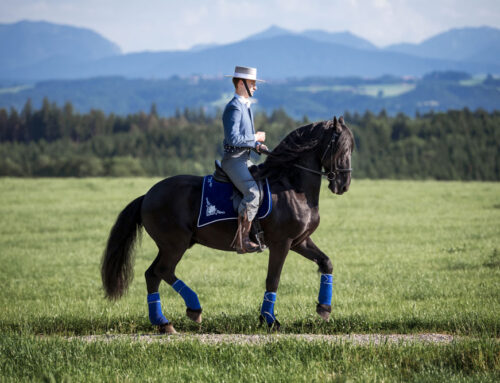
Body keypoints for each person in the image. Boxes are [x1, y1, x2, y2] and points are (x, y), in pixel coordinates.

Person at [222, 66, 268, 253]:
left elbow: (244, 138)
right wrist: (255, 138)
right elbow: (233, 139)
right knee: (253, 194)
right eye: (252, 83)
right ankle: (242, 241)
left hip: (245, 158)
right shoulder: (234, 107)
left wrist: (257, 146)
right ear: (241, 83)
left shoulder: (244, 106)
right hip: (234, 160)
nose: (255, 87)